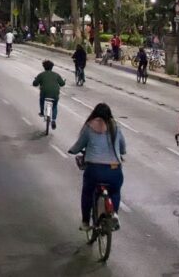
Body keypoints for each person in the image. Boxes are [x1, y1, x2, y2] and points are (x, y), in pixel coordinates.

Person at [68, 103, 126, 231]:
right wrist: (121, 153)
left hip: (94, 170)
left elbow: (79, 145)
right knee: (115, 192)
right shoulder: (116, 126)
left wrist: (72, 150)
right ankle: (114, 213)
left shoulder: (89, 126)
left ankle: (85, 222)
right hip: (114, 170)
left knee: (87, 193)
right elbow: (122, 147)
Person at [32, 60, 66, 130]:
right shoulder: (56, 75)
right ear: (52, 67)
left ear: (44, 67)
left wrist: (36, 80)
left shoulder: (41, 74)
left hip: (44, 93)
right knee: (54, 106)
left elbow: (35, 84)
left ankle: (42, 112)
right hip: (55, 94)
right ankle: (53, 120)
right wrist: (64, 81)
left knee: (41, 100)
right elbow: (62, 84)